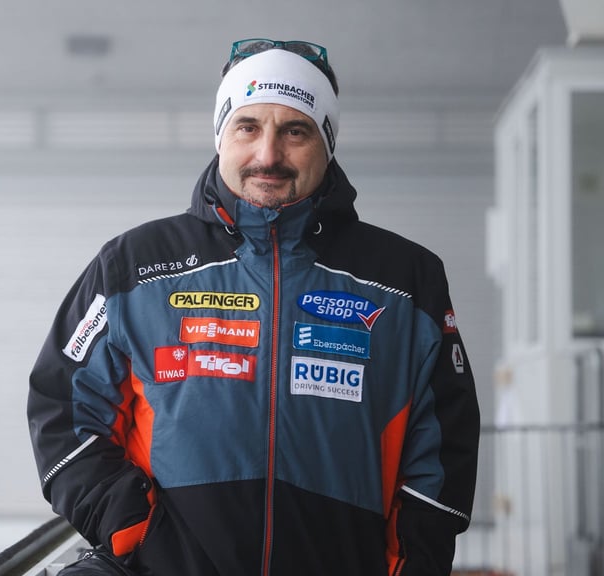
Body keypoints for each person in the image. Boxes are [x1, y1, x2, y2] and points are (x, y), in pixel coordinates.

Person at [27, 38, 480, 576]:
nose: (268, 155)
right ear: (222, 135)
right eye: (248, 127)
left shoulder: (406, 279)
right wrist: (135, 529)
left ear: (327, 143)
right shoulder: (133, 265)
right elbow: (62, 408)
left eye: (295, 130)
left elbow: (445, 448)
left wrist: (412, 564)